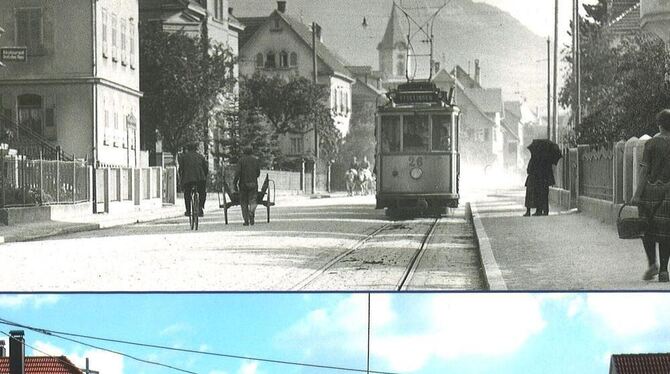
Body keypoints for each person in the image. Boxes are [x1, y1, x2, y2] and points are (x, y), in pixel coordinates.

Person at [631, 109, 670, 283]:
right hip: (668, 194)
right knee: (666, 232)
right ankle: (664, 271)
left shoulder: (651, 144)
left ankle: (652, 264)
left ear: (659, 125)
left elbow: (645, 170)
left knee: (647, 229)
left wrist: (636, 195)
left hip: (650, 193)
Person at [178, 142, 208, 217]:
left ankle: (188, 211)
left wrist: (181, 179)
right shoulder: (200, 156)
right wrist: (204, 176)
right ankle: (200, 207)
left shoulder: (184, 157)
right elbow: (206, 169)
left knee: (187, 194)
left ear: (188, 149)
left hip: (188, 179)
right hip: (200, 179)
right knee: (202, 192)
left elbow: (180, 169)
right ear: (196, 148)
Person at [234, 145, 261, 226]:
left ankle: (246, 220)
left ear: (244, 152)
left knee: (244, 202)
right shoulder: (255, 160)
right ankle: (251, 212)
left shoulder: (241, 161)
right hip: (253, 183)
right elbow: (258, 173)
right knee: (253, 200)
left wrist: (235, 182)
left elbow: (238, 173)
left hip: (243, 184)